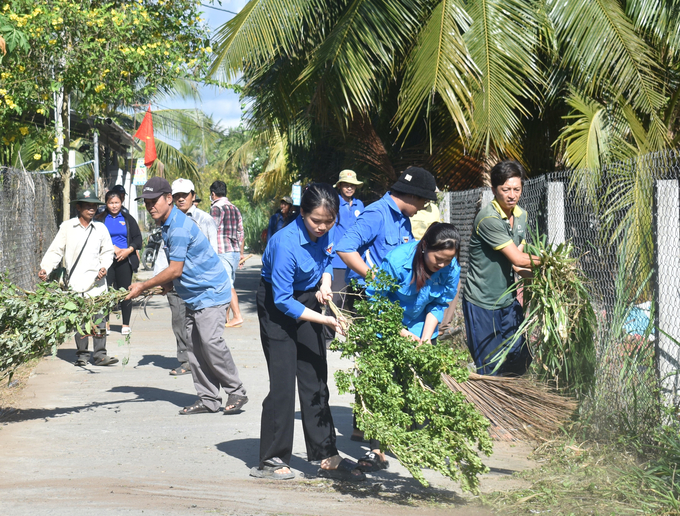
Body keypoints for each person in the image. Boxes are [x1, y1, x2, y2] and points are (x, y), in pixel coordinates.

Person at [251, 183, 365, 482]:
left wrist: (326, 282)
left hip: (309, 297)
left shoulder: (327, 230)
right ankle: (272, 459)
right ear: (302, 214)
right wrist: (326, 321)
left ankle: (327, 455)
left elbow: (328, 258)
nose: (322, 227)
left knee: (315, 378)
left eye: (329, 221)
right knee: (284, 382)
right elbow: (283, 300)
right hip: (278, 305)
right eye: (316, 221)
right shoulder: (284, 242)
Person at [127, 177, 248, 415]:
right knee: (194, 347)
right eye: (147, 202)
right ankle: (208, 399)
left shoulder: (179, 227)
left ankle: (236, 390)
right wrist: (170, 285)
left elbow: (175, 269)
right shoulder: (169, 224)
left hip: (210, 292)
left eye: (154, 201)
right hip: (194, 293)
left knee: (211, 342)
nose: (150, 206)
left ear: (168, 199)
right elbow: (183, 266)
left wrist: (142, 285)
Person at [336, 166, 437, 441]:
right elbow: (345, 247)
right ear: (413, 195)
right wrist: (375, 278)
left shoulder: (403, 218)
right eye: (425, 201)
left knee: (387, 359)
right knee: (373, 360)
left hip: (390, 301)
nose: (424, 207)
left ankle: (373, 423)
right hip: (368, 298)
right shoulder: (376, 214)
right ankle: (366, 426)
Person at [359, 222, 461, 471]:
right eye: (439, 258)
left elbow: (439, 303)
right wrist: (400, 332)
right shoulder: (397, 260)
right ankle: (377, 450)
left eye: (449, 260)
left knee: (423, 386)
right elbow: (376, 299)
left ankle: (420, 444)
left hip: (422, 326)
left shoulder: (450, 267)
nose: (443, 265)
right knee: (384, 385)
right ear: (425, 246)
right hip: (389, 325)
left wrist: (426, 338)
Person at [463, 160, 539, 376]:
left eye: (517, 189)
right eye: (506, 189)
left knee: (519, 360)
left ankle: (512, 406)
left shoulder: (522, 216)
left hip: (507, 300)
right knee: (490, 368)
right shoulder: (489, 219)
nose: (512, 195)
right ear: (494, 189)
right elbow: (519, 257)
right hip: (483, 303)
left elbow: (518, 265)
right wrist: (550, 261)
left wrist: (544, 279)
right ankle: (488, 409)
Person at [38, 188, 119, 366]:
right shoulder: (67, 227)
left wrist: (104, 267)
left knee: (99, 320)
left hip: (97, 284)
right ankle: (82, 355)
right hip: (75, 284)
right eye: (88, 206)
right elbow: (56, 250)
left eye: (94, 206)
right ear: (78, 208)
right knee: (80, 321)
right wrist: (46, 268)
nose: (92, 209)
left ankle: (100, 354)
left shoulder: (101, 228)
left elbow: (107, 252)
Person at [155, 178, 219, 376]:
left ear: (193, 196)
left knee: (201, 325)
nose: (181, 199)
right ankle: (185, 360)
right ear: (170, 199)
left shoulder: (204, 219)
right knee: (179, 320)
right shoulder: (165, 221)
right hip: (173, 280)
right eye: (177, 196)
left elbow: (213, 251)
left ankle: (203, 361)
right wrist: (159, 278)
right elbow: (163, 251)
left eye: (185, 195)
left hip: (198, 282)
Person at [95, 189, 143, 335]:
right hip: (106, 261)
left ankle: (125, 324)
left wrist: (128, 250)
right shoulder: (100, 220)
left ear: (121, 203)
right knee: (106, 291)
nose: (114, 206)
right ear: (106, 203)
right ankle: (106, 323)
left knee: (125, 292)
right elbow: (95, 239)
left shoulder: (128, 219)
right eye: (111, 203)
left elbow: (138, 239)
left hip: (124, 260)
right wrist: (112, 248)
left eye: (117, 203)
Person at [209, 180, 245, 328]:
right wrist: (241, 254)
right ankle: (226, 318)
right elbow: (241, 232)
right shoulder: (234, 208)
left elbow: (212, 229)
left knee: (227, 284)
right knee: (228, 283)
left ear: (212, 194)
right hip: (234, 251)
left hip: (222, 251)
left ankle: (237, 316)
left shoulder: (216, 208)